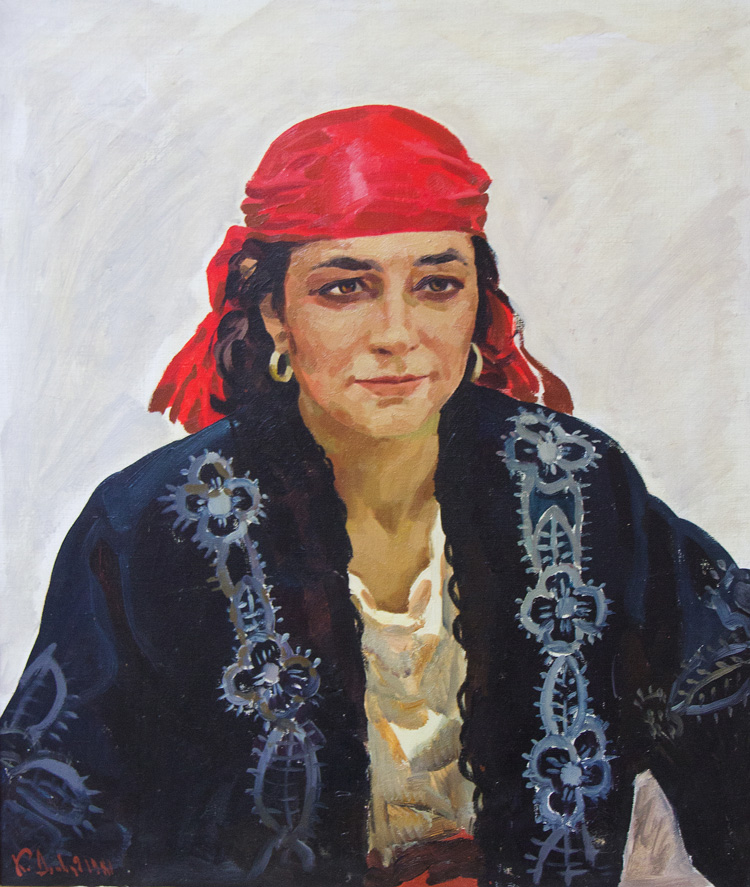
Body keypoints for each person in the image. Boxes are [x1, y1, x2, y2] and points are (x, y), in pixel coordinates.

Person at [1, 105, 748, 887]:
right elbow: (47, 818)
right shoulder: (152, 523)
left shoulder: (575, 484)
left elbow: (722, 698)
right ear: (274, 314)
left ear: (478, 303)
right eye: (346, 288)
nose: (398, 331)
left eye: (437, 284)